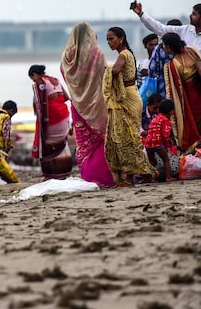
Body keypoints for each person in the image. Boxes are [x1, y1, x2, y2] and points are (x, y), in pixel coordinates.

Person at [61, 22, 114, 187]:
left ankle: (89, 176)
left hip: (77, 105)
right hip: (97, 104)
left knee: (84, 142)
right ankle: (105, 177)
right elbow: (104, 76)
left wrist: (80, 90)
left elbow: (65, 76)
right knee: (100, 139)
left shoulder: (67, 57)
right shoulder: (96, 53)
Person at [103, 26, 155, 186]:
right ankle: (140, 173)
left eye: (111, 39)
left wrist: (104, 68)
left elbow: (116, 70)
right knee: (126, 136)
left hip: (127, 98)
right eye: (107, 40)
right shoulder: (126, 54)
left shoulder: (124, 55)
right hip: (129, 95)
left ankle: (133, 176)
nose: (109, 42)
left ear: (121, 38)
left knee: (126, 137)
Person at [29, 65, 73, 179]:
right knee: (61, 142)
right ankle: (64, 171)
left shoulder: (40, 83)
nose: (33, 80)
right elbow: (67, 97)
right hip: (63, 115)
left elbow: (36, 103)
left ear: (34, 74)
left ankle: (52, 173)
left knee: (47, 143)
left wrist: (39, 114)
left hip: (52, 117)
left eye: (32, 78)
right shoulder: (56, 80)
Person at [161, 32, 201, 150]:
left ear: (168, 47)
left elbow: (172, 90)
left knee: (195, 122)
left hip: (189, 97)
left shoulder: (172, 64)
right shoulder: (192, 51)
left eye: (163, 45)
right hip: (196, 91)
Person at [132, 1, 201, 51]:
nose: (190, 16)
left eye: (194, 14)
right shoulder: (185, 30)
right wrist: (141, 14)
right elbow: (161, 29)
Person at [143, 99, 177, 182]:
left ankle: (152, 178)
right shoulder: (165, 120)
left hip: (148, 144)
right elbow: (165, 135)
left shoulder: (155, 118)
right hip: (157, 143)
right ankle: (168, 177)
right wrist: (168, 144)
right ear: (170, 111)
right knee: (166, 160)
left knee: (152, 163)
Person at [148, 19, 183, 98]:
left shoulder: (159, 49)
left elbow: (152, 71)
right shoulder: (185, 48)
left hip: (163, 89)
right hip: (182, 88)